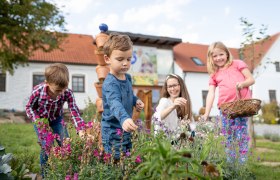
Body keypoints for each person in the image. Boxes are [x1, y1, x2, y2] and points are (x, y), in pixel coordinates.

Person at [26, 63, 87, 177]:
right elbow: (29, 107)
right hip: (41, 121)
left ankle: (67, 172)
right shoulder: (38, 91)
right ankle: (46, 175)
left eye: (64, 88)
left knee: (65, 143)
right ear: (47, 83)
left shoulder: (67, 92)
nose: (62, 93)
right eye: (58, 90)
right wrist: (38, 122)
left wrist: (81, 129)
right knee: (47, 146)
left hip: (57, 119)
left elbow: (73, 110)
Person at [201, 41, 255, 163]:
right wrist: (206, 113)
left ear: (227, 53)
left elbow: (251, 79)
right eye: (214, 56)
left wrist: (242, 84)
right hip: (225, 109)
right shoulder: (214, 74)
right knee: (228, 137)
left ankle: (242, 164)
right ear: (211, 58)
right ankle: (231, 164)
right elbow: (211, 93)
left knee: (241, 135)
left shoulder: (237, 64)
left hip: (241, 107)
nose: (218, 58)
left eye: (221, 54)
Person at [101, 33, 144, 159]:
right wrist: (124, 118)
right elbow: (115, 103)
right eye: (120, 59)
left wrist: (136, 101)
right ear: (107, 59)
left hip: (126, 126)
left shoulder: (128, 78)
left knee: (127, 156)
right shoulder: (110, 83)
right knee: (115, 159)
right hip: (113, 130)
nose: (125, 63)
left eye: (129, 59)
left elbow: (128, 94)